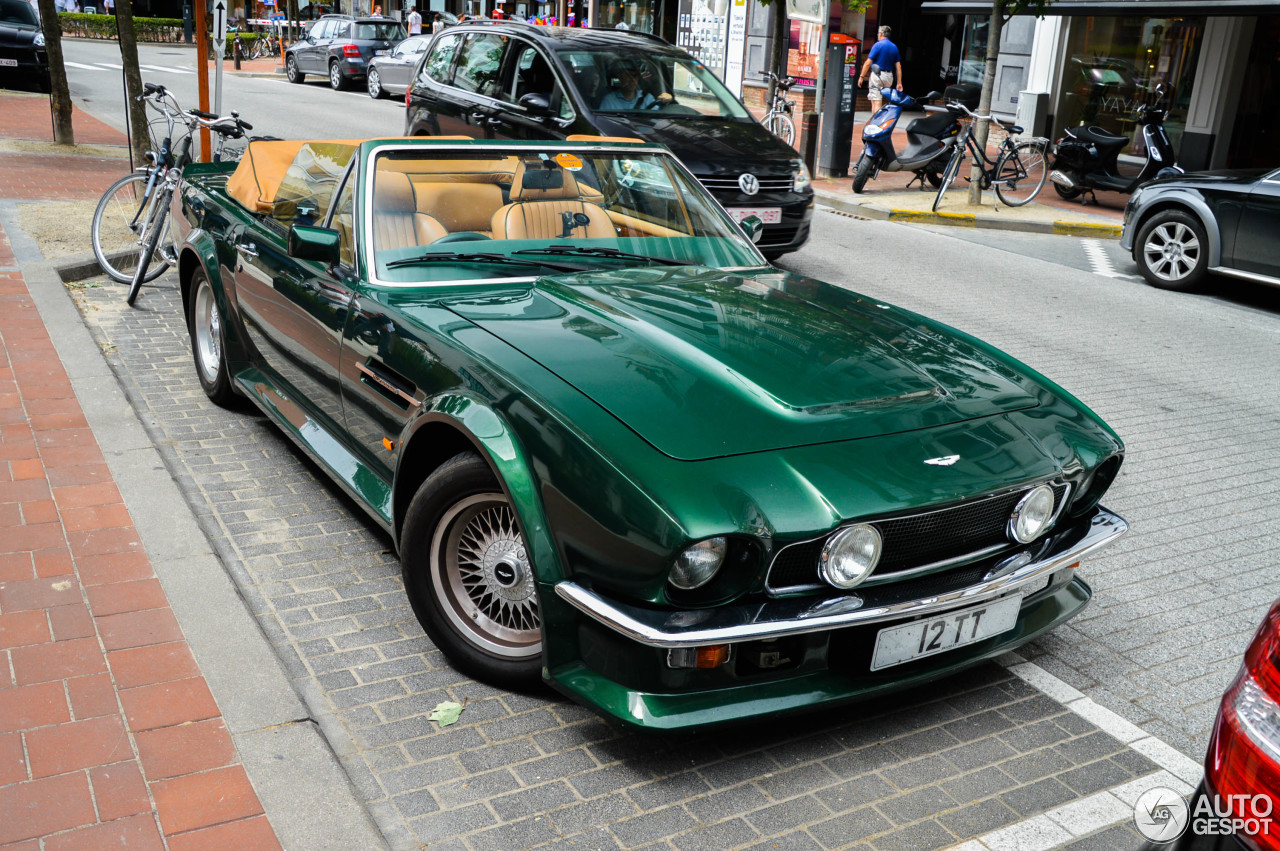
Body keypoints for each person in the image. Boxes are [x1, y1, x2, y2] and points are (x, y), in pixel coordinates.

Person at [857, 25, 903, 119]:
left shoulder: (878, 45)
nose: (878, 35)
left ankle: (876, 124)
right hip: (889, 77)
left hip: (878, 76)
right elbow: (898, 67)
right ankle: (879, 121)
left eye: (878, 33)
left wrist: (861, 76)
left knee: (876, 101)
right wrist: (899, 82)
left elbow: (868, 63)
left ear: (881, 34)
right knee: (882, 100)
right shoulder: (894, 47)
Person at [598, 61, 671, 111]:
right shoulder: (609, 101)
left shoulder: (647, 98)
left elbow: (656, 119)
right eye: (627, 76)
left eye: (635, 76)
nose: (632, 79)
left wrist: (666, 101)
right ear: (620, 77)